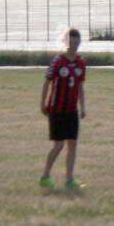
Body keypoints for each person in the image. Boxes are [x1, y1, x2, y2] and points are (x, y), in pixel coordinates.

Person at [40, 28, 88, 191]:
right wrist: (43, 103)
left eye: (76, 43)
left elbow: (80, 86)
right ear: (66, 43)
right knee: (59, 145)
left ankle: (69, 179)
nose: (73, 45)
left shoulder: (81, 63)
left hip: (71, 111)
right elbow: (47, 82)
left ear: (79, 43)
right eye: (71, 42)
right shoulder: (58, 62)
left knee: (73, 145)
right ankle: (45, 175)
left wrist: (83, 107)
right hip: (57, 110)